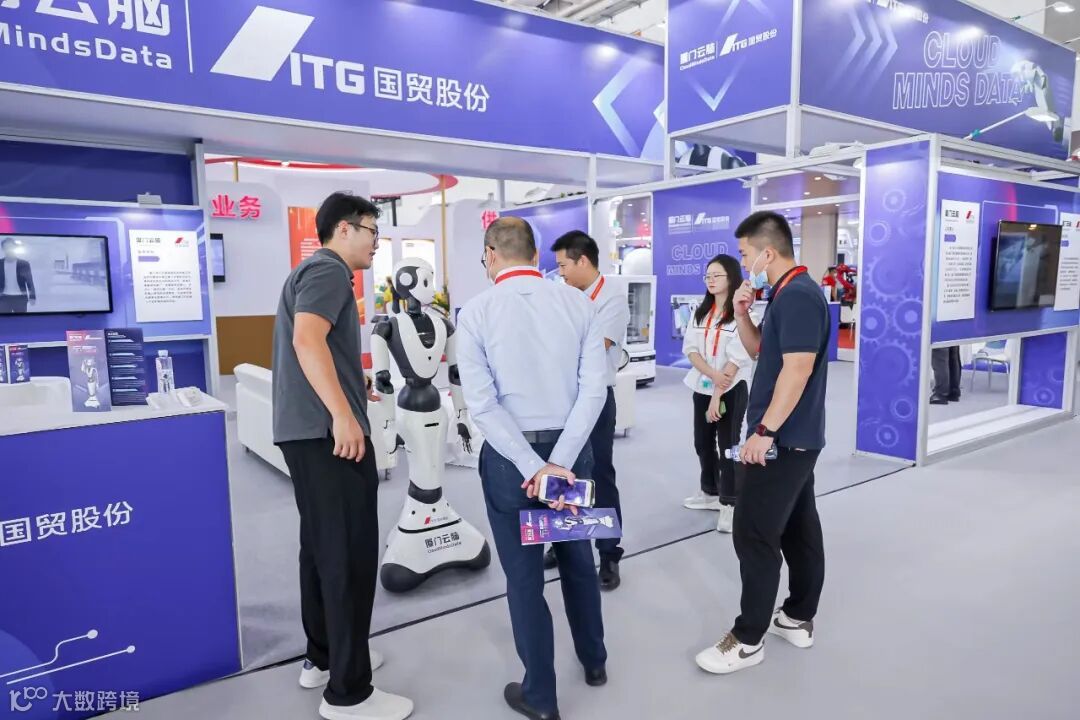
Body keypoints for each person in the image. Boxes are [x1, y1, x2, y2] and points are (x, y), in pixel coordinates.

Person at [456, 217, 608, 720]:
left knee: (524, 579)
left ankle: (541, 697)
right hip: (571, 455)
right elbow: (594, 391)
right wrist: (559, 463)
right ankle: (594, 662)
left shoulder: (475, 312)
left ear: (490, 255)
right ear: (536, 253)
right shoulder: (578, 303)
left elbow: (482, 405)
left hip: (510, 463)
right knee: (577, 559)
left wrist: (533, 466)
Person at [271, 192, 413, 720]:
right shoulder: (330, 271)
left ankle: (325, 656)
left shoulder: (309, 273)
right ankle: (349, 693)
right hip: (326, 436)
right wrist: (343, 415)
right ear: (345, 229)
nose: (377, 242)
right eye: (372, 230)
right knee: (349, 555)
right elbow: (308, 342)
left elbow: (318, 349)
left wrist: (353, 390)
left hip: (304, 432)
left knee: (320, 548)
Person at [695, 211, 830, 676]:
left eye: (745, 253)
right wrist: (741, 315)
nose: (743, 262)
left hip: (783, 439)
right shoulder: (785, 294)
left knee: (753, 532)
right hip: (794, 438)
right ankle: (796, 617)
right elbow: (761, 354)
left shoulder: (798, 296)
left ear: (767, 253)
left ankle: (748, 638)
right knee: (798, 528)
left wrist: (764, 432)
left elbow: (798, 369)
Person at [542, 229, 629, 590]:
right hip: (561, 398)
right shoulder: (563, 295)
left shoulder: (612, 298)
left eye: (563, 265)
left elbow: (595, 346)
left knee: (599, 473)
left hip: (595, 400)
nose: (560, 273)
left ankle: (608, 552)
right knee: (563, 471)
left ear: (583, 261)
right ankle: (564, 541)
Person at [681, 254, 754, 534]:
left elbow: (738, 358)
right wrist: (711, 377)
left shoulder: (743, 314)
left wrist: (717, 394)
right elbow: (691, 349)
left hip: (731, 388)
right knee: (702, 442)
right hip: (703, 385)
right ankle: (709, 491)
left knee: (728, 446)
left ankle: (730, 503)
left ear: (731, 277)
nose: (710, 280)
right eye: (707, 276)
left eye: (716, 275)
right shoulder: (700, 312)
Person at [0, 237, 36, 314]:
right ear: (3, 249)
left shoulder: (23, 264)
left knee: (21, 320)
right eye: (6, 247)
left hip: (20, 298)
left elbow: (29, 281)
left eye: (10, 247)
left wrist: (32, 296)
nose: (8, 249)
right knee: (5, 320)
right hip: (3, 298)